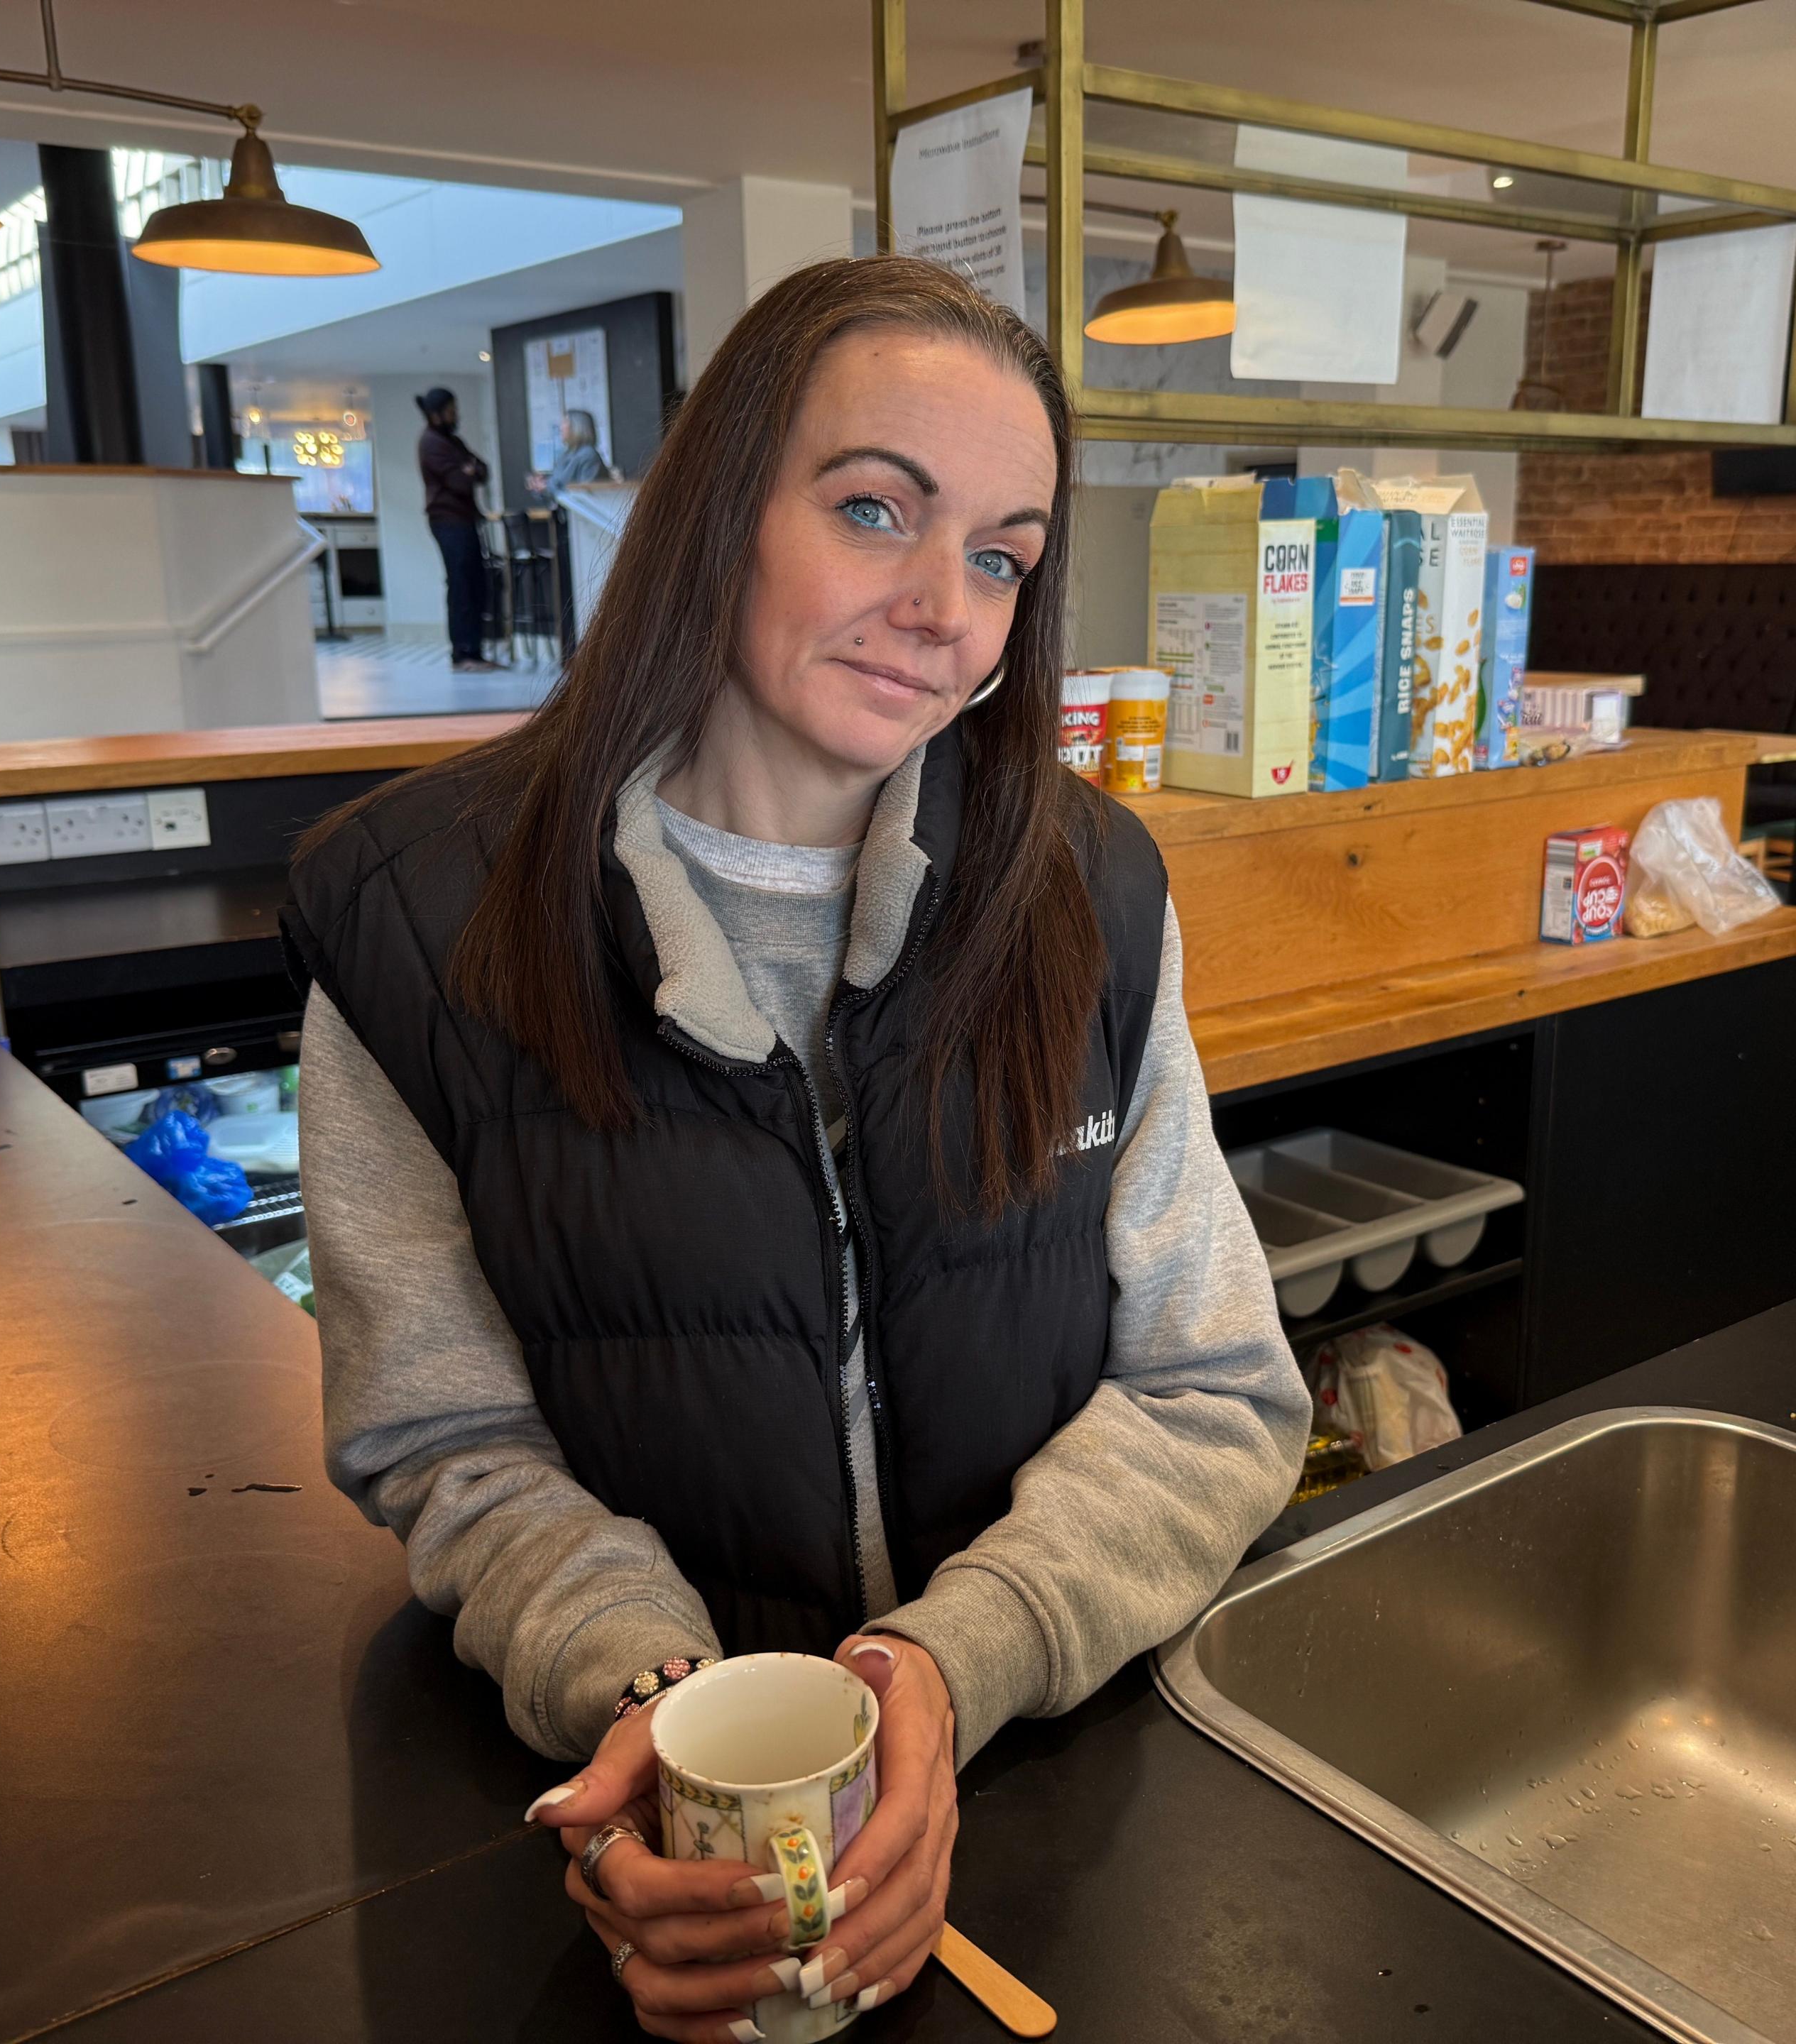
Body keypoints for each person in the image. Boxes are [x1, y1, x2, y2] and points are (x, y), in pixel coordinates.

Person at [288, 257, 1306, 2040]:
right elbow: (444, 1439)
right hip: (634, 1814)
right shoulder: (415, 919)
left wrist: (944, 1659)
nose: (941, 607)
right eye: (869, 510)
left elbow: (1217, 1385)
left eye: (998, 555)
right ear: (714, 514)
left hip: (1055, 1798)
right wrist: (667, 1721)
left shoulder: (1090, 892)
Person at [415, 385, 500, 673]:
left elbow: (483, 470)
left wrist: (470, 469)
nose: (456, 415)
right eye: (452, 410)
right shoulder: (432, 444)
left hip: (463, 520)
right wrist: (468, 471)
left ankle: (474, 652)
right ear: (438, 414)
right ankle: (463, 654)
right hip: (448, 522)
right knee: (461, 585)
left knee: (475, 584)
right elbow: (461, 482)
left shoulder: (452, 442)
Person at [527, 404, 610, 500]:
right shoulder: (567, 455)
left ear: (577, 427)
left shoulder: (588, 455)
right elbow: (558, 483)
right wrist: (542, 485)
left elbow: (584, 494)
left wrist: (547, 487)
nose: (561, 428)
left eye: (565, 423)